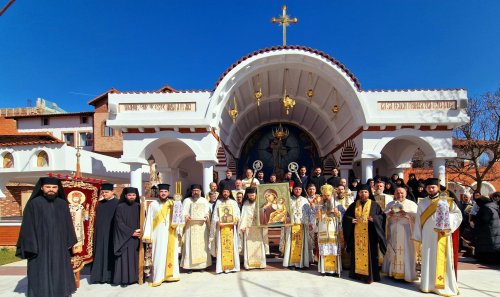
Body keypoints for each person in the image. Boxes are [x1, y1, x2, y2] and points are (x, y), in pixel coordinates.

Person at [16, 177, 77, 297]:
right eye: (48, 187)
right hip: (40, 245)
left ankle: (61, 292)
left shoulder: (62, 203)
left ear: (58, 188)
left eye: (54, 187)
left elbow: (68, 223)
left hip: (59, 245)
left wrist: (70, 240)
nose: (51, 190)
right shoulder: (34, 203)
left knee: (60, 270)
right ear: (42, 188)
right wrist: (31, 245)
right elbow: (28, 226)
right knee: (41, 270)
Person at [413, 178, 462, 296]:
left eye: (433, 187)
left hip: (442, 235)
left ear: (438, 188)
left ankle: (443, 285)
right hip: (427, 235)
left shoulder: (447, 201)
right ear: (426, 188)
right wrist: (418, 236)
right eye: (428, 187)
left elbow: (458, 215)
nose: (431, 189)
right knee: (428, 258)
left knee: (442, 259)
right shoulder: (422, 202)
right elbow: (418, 221)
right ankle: (427, 285)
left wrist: (446, 223)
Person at [343, 184, 386, 283]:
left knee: (370, 255)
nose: (363, 194)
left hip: (370, 236)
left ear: (369, 193)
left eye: (365, 192)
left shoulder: (374, 205)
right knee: (357, 254)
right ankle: (357, 274)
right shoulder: (354, 205)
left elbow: (382, 217)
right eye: (361, 192)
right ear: (358, 193)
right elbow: (346, 217)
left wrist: (374, 219)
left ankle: (370, 276)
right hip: (357, 235)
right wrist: (350, 220)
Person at [142, 184, 180, 286]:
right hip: (157, 235)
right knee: (158, 254)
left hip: (171, 233)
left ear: (168, 193)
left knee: (171, 253)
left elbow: (179, 218)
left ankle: (171, 275)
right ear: (159, 192)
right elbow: (148, 219)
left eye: (165, 192)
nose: (163, 193)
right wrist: (147, 234)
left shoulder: (173, 203)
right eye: (161, 192)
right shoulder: (153, 205)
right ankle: (158, 276)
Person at [382, 186, 418, 282]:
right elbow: (383, 216)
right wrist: (388, 214)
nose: (399, 195)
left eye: (402, 193)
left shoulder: (412, 204)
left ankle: (406, 274)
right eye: (397, 193)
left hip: (406, 231)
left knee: (405, 251)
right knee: (392, 249)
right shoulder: (390, 204)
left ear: (405, 194)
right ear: (394, 194)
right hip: (392, 231)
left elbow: (417, 217)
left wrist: (406, 214)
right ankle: (392, 272)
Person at [90, 183, 119, 284]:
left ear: (112, 192)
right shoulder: (99, 204)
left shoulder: (118, 203)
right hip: (99, 233)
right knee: (99, 253)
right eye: (103, 192)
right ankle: (99, 277)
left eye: (106, 192)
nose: (104, 194)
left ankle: (110, 277)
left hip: (111, 234)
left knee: (109, 253)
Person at [112, 187, 141, 286]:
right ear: (125, 196)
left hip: (137, 237)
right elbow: (118, 222)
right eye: (130, 195)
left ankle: (136, 278)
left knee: (135, 257)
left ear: (136, 196)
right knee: (123, 259)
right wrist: (130, 232)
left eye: (133, 195)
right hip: (124, 237)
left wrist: (140, 231)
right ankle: (124, 280)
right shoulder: (120, 207)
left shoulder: (139, 207)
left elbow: (143, 220)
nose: (132, 197)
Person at [181, 184, 212, 272]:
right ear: (191, 191)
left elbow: (208, 212)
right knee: (189, 246)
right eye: (194, 190)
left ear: (200, 192)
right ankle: (189, 267)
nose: (196, 192)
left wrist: (206, 216)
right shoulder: (187, 201)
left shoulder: (204, 201)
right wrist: (186, 217)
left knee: (202, 246)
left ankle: (202, 266)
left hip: (202, 227)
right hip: (190, 227)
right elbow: (183, 212)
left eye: (197, 191)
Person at [210, 187, 241, 274]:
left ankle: (233, 267)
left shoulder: (233, 202)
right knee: (221, 246)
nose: (225, 193)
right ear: (221, 193)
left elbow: (237, 213)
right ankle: (221, 268)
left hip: (231, 228)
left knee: (232, 246)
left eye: (227, 191)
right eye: (224, 192)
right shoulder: (218, 202)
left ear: (229, 193)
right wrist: (217, 221)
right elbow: (215, 215)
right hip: (221, 228)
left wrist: (236, 220)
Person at [282, 184, 313, 269]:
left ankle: (301, 263)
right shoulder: (289, 200)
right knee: (290, 244)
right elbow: (285, 212)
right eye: (296, 189)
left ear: (301, 190)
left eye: (299, 189)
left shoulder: (305, 200)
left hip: (302, 226)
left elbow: (309, 213)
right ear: (293, 190)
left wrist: (310, 222)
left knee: (301, 245)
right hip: (291, 226)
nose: (298, 191)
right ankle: (292, 263)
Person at [239, 187, 269, 269]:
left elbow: (265, 214)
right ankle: (249, 264)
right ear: (247, 195)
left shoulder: (260, 203)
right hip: (248, 228)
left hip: (258, 228)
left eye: (253, 195)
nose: (251, 197)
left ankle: (260, 263)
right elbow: (243, 215)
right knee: (249, 246)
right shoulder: (245, 203)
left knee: (259, 246)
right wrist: (242, 226)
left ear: (256, 195)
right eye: (250, 195)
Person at [317, 184, 342, 276]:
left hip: (333, 231)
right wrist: (320, 213)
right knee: (324, 250)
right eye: (324, 195)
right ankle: (324, 270)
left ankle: (334, 270)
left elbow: (342, 216)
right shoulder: (319, 205)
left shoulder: (337, 204)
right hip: (323, 230)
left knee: (334, 250)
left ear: (331, 195)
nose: (326, 197)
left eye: (328, 195)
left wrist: (338, 213)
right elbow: (316, 218)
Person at [470, 195, 500, 263]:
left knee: (488, 247)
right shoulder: (492, 207)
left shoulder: (485, 208)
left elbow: (484, 219)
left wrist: (475, 219)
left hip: (488, 231)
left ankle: (487, 260)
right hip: (494, 230)